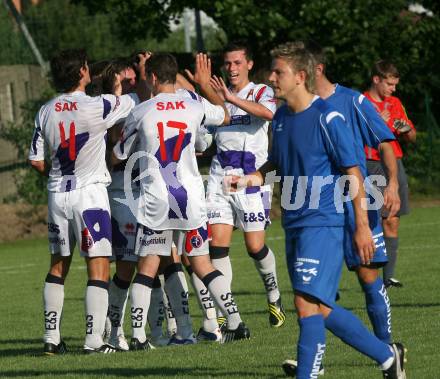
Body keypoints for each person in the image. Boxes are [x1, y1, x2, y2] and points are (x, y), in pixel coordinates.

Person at [228, 43, 406, 378]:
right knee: (319, 307)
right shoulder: (281, 117)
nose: (271, 77)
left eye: (277, 71)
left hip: (323, 221)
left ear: (300, 76)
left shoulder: (329, 117)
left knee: (305, 304)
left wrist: (362, 227)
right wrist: (254, 176)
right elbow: (277, 161)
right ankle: (386, 356)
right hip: (294, 222)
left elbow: (353, 173)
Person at [111, 53, 250, 349]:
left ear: (150, 77)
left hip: (156, 198)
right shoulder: (194, 105)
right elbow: (224, 115)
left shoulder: (142, 111)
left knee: (147, 267)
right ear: (175, 76)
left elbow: (118, 154)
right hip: (190, 197)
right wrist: (203, 84)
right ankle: (236, 322)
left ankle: (137, 336)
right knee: (201, 261)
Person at [281, 40, 401, 376]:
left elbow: (386, 141)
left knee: (366, 278)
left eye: (279, 71)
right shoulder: (290, 112)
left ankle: (388, 347)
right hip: (312, 213)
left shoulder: (348, 103)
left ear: (311, 71)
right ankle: (378, 357)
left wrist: (391, 184)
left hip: (352, 206)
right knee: (314, 298)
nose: (273, 78)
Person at [28, 49, 138, 354]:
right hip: (89, 196)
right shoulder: (96, 105)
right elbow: (132, 103)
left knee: (58, 266)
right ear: (80, 73)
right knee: (98, 267)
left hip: (57, 194)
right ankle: (94, 341)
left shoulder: (45, 111)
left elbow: (36, 161)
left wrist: (60, 173)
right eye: (87, 67)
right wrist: (118, 87)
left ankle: (51, 339)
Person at [203, 41, 286, 328]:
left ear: (249, 64)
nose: (232, 68)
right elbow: (207, 134)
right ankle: (229, 315)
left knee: (254, 246)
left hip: (252, 178)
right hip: (219, 178)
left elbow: (269, 114)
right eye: (227, 63)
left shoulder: (261, 90)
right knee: (217, 246)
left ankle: (274, 295)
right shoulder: (215, 97)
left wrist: (230, 98)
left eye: (237, 62)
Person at [364, 60, 416, 288]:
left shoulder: (395, 103)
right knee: (370, 221)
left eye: (395, 84)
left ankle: (388, 277)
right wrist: (381, 124)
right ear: (377, 79)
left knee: (392, 220)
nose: (393, 89)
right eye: (390, 84)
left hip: (393, 164)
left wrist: (406, 131)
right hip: (370, 164)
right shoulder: (361, 102)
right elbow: (354, 136)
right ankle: (368, 275)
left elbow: (412, 135)